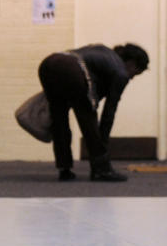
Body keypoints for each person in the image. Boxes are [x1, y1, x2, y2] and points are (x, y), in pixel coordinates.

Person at [38, 43, 148, 182]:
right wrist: (102, 145)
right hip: (72, 67)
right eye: (135, 73)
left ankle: (64, 169)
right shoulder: (121, 72)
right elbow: (109, 113)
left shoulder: (104, 52)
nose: (131, 78)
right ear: (131, 63)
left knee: (59, 118)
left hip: (49, 63)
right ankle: (101, 170)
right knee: (88, 119)